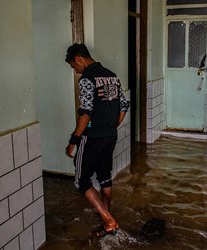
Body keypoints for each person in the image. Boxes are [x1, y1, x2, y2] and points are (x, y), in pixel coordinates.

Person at [64, 43, 130, 237]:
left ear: (78, 59)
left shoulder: (86, 79)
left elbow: (86, 112)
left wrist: (73, 140)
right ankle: (106, 218)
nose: (76, 71)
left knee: (81, 180)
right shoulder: (111, 75)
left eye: (73, 67)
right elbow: (124, 106)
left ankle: (108, 220)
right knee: (104, 175)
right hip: (110, 135)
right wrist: (112, 126)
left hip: (92, 137)